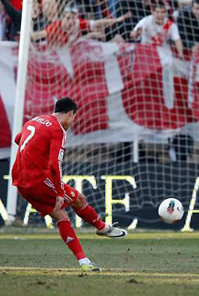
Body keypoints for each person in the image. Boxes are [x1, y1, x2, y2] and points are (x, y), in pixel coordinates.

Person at [11, 97, 127, 272]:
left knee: (61, 216)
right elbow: (54, 164)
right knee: (78, 199)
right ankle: (102, 228)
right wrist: (58, 191)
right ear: (71, 113)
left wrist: (33, 155)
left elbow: (18, 140)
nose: (72, 123)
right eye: (74, 118)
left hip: (20, 180)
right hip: (39, 180)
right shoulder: (57, 129)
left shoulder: (33, 120)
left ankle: (84, 262)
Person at [31, 6, 131, 46]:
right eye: (68, 18)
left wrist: (117, 20)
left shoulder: (77, 23)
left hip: (74, 55)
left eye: (73, 18)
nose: (71, 21)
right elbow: (40, 35)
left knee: (117, 38)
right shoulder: (56, 26)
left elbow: (98, 23)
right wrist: (27, 36)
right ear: (63, 18)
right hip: (58, 55)